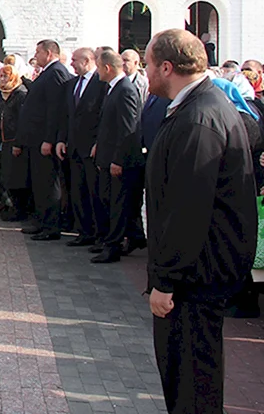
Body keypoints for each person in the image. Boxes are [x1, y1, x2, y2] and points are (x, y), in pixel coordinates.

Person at [143, 29, 257, 414]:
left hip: (195, 277)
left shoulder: (200, 117)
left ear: (167, 67)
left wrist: (165, 280)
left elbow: (187, 209)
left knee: (192, 380)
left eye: (147, 65)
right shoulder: (198, 106)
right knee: (187, 377)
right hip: (196, 273)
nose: (145, 73)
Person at [91, 48, 144, 264]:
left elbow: (127, 129)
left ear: (107, 68)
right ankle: (131, 237)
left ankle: (113, 246)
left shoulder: (125, 90)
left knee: (117, 204)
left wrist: (118, 160)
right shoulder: (113, 88)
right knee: (110, 200)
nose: (97, 72)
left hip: (119, 161)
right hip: (107, 155)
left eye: (98, 67)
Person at [20, 39, 72, 239]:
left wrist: (49, 139)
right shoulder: (48, 72)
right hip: (36, 139)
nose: (35, 55)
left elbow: (55, 110)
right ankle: (42, 221)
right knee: (40, 183)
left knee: (48, 183)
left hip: (44, 139)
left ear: (49, 53)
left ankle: (51, 226)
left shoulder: (56, 72)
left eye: (38, 52)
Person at [55, 48, 107, 246]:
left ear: (86, 61)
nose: (71, 64)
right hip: (73, 148)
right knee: (78, 192)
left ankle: (98, 235)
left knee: (95, 193)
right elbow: (66, 115)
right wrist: (61, 139)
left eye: (75, 60)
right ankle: (84, 231)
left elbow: (103, 117)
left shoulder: (101, 84)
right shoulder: (72, 85)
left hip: (91, 149)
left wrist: (98, 143)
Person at [0, 64, 31, 222]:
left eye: (5, 76)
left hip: (15, 141)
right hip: (4, 141)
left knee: (16, 177)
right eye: (1, 76)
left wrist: (18, 143)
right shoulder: (3, 95)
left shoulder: (20, 94)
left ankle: (18, 209)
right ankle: (9, 205)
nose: (2, 79)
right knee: (6, 175)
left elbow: (22, 121)